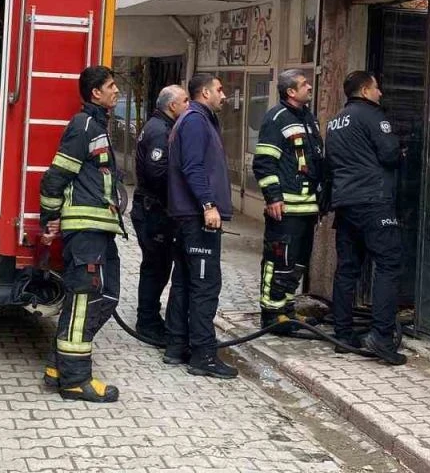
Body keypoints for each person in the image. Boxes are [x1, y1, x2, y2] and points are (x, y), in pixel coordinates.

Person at [38, 65, 125, 402]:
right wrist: (50, 218)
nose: (116, 91)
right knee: (86, 298)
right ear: (95, 93)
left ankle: (57, 366)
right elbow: (55, 177)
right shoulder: (83, 126)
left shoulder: (97, 126)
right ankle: (75, 379)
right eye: (111, 86)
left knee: (106, 295)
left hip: (100, 228)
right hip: (86, 229)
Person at [324, 71, 406, 365]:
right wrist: (401, 152)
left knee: (347, 268)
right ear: (364, 91)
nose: (380, 93)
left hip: (346, 204)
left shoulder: (335, 121)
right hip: (373, 202)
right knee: (388, 264)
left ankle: (343, 335)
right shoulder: (372, 116)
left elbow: (330, 163)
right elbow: (389, 154)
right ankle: (381, 337)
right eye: (376, 88)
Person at [164, 72, 237, 379]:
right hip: (197, 218)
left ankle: (176, 346)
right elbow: (193, 167)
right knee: (205, 286)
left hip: (187, 217)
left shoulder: (194, 120)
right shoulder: (195, 121)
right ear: (205, 93)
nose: (224, 95)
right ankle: (203, 355)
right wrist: (208, 205)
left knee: (184, 282)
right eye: (220, 89)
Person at [252, 69, 325, 335]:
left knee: (297, 262)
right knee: (278, 260)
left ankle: (288, 309)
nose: (310, 87)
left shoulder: (309, 118)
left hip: (307, 207)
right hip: (286, 208)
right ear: (291, 92)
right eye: (304, 84)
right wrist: (273, 197)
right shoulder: (276, 119)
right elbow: (263, 162)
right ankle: (272, 315)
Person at [132, 85, 190, 346]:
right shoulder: (160, 131)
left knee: (158, 266)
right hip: (153, 211)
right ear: (172, 105)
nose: (188, 105)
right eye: (185, 101)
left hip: (152, 209)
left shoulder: (161, 126)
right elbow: (157, 173)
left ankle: (150, 318)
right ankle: (147, 323)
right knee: (155, 268)